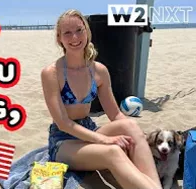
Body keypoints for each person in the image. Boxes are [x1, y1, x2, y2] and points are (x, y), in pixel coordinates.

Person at [41, 9, 162, 189]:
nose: (74, 37)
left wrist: (137, 135)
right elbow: (64, 123)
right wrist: (105, 140)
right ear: (59, 38)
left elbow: (115, 114)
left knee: (130, 126)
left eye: (79, 30)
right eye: (67, 33)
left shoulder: (98, 71)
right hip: (64, 141)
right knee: (114, 151)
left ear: (87, 31)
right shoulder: (52, 73)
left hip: (90, 129)